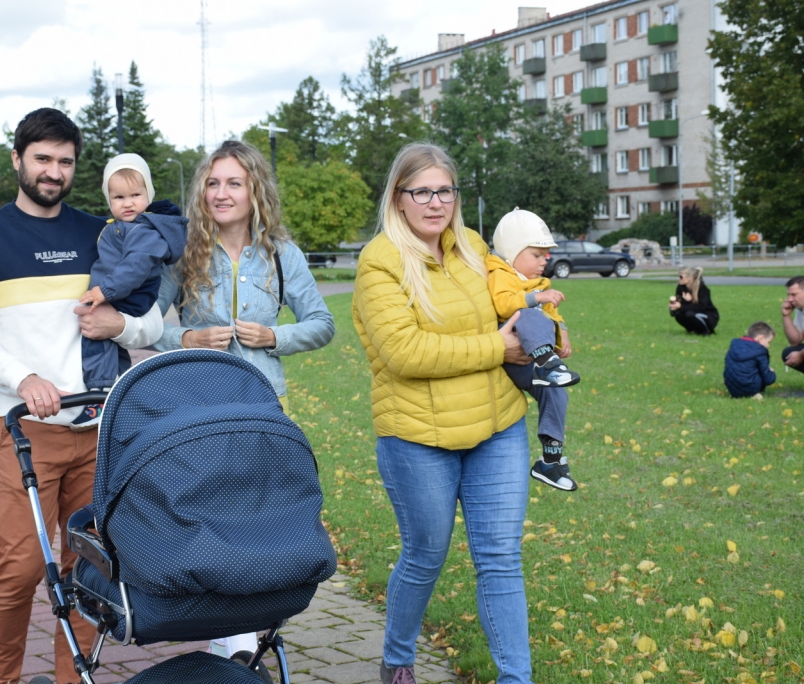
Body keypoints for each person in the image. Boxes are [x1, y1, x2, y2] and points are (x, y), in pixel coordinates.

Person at [0, 108, 163, 684]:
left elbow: (153, 322)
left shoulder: (102, 232)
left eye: (65, 162)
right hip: (27, 430)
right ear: (18, 160)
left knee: (87, 568)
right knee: (19, 568)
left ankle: (76, 678)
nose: (53, 171)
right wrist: (24, 379)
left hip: (98, 430)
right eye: (43, 159)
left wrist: (119, 327)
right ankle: (2, 679)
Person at [352, 143, 534, 684]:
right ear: (399, 198)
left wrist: (542, 328)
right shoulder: (378, 262)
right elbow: (404, 354)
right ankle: (399, 659)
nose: (436, 203)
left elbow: (513, 305)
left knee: (500, 557)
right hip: (417, 437)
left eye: (445, 191)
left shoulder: (474, 249)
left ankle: (516, 679)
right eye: (422, 192)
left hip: (498, 428)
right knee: (426, 554)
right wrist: (497, 348)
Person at [152, 139, 334, 672]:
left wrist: (274, 336)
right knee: (210, 521)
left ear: (255, 190)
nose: (222, 193)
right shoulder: (185, 251)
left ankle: (238, 641)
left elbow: (323, 324)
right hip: (196, 406)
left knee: (255, 522)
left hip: (261, 407)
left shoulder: (281, 254)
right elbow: (145, 325)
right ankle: (227, 645)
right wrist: (186, 338)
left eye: (234, 182)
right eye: (213, 183)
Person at [72, 153, 187, 426]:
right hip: (121, 291)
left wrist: (104, 292)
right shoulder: (123, 227)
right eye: (119, 197)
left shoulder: (144, 230)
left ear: (149, 194)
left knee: (95, 336)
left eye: (136, 195)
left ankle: (98, 398)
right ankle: (119, 395)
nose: (128, 203)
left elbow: (135, 266)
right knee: (113, 347)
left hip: (127, 294)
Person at [487, 208, 580, 491]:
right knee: (526, 313)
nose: (544, 261)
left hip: (532, 362)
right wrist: (536, 298)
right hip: (513, 357)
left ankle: (550, 461)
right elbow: (504, 304)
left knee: (555, 394)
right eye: (537, 255)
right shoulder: (499, 273)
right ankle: (546, 364)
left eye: (545, 255)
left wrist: (561, 332)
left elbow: (552, 314)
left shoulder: (538, 283)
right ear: (513, 252)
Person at [724, 321, 777, 399]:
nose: (768, 345)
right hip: (751, 388)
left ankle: (740, 394)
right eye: (769, 342)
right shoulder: (760, 351)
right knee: (762, 371)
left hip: (732, 389)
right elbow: (768, 379)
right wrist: (771, 372)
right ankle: (754, 394)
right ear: (761, 338)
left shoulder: (735, 346)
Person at [668, 266, 719, 335]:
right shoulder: (681, 288)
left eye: (681, 277)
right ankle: (692, 330)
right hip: (694, 312)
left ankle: (707, 331)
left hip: (709, 316)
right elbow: (681, 306)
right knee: (679, 314)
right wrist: (673, 308)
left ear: (690, 278)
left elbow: (701, 307)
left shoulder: (703, 289)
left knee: (689, 314)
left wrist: (688, 302)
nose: (678, 279)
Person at [779, 275, 804, 373]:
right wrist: (786, 316)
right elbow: (795, 341)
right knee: (788, 353)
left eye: (794, 295)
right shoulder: (801, 308)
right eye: (789, 295)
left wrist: (801, 355)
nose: (790, 299)